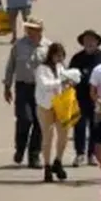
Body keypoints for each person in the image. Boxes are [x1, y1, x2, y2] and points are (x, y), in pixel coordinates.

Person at [3, 19, 48, 167]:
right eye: (28, 28)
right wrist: (7, 86)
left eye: (33, 28)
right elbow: (11, 65)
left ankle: (34, 155)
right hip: (23, 87)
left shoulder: (48, 47)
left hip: (42, 88)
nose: (29, 31)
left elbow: (57, 66)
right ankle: (20, 148)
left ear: (40, 30)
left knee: (39, 123)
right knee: (24, 119)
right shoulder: (19, 45)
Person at [34, 42, 80, 183]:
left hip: (60, 104)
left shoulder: (61, 67)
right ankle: (47, 166)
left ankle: (58, 161)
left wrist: (69, 82)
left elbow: (65, 82)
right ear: (51, 55)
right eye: (58, 55)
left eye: (62, 56)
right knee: (48, 136)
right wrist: (60, 81)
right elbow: (45, 85)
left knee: (64, 134)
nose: (60, 58)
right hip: (46, 105)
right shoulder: (42, 68)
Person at [70, 31, 101, 168]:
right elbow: (70, 76)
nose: (89, 43)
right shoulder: (77, 58)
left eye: (92, 40)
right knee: (79, 126)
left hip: (98, 99)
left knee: (95, 127)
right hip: (79, 98)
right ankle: (79, 154)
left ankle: (92, 155)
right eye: (86, 40)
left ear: (97, 42)